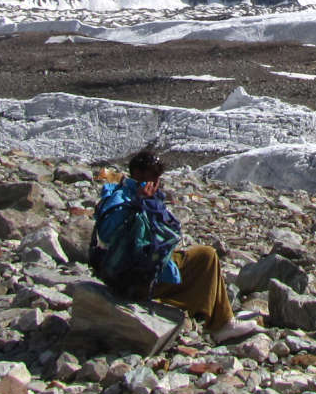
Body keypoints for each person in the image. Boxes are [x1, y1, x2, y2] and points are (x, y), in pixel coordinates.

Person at [94, 145, 259, 345]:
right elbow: (109, 232)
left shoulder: (135, 195)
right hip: (134, 275)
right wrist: (138, 204)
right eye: (153, 175)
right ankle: (221, 325)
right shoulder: (123, 199)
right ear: (137, 174)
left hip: (141, 266)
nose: (156, 181)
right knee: (206, 257)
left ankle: (217, 317)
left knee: (196, 258)